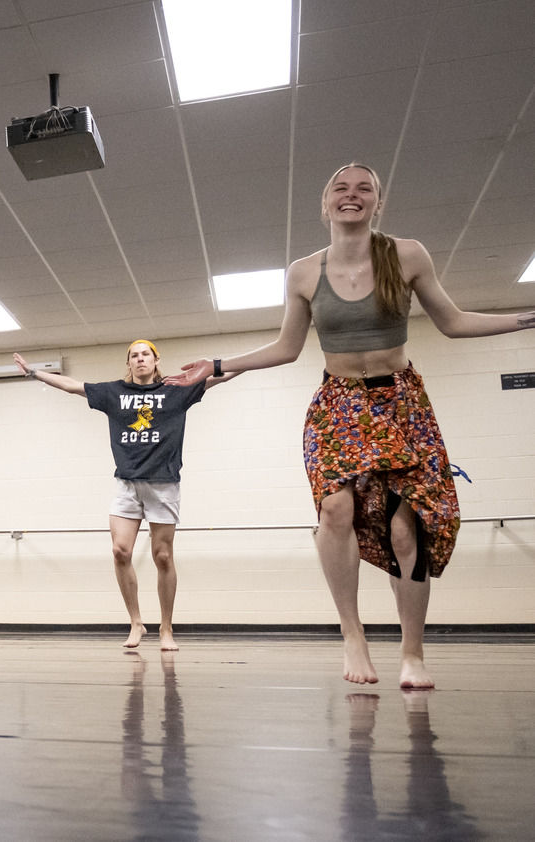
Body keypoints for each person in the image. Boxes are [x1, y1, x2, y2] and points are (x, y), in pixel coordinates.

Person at [169, 162, 535, 688]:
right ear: (325, 204)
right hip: (338, 403)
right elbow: (287, 348)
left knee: (407, 531)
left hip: (401, 403)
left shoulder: (406, 254)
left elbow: (452, 323)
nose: (352, 195)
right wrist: (220, 365)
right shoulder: (303, 272)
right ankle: (353, 634)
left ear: (378, 203)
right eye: (341, 188)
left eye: (365, 189)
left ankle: (412, 654)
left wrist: (525, 318)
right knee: (335, 508)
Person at [14, 342, 235, 651]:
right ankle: (136, 622)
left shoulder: (176, 389)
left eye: (145, 354)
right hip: (126, 484)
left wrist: (251, 362)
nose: (140, 359)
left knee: (163, 556)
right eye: (134, 355)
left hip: (163, 484)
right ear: (129, 363)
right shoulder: (114, 393)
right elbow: (72, 386)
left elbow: (221, 377)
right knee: (120, 551)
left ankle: (167, 628)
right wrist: (34, 373)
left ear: (156, 360)